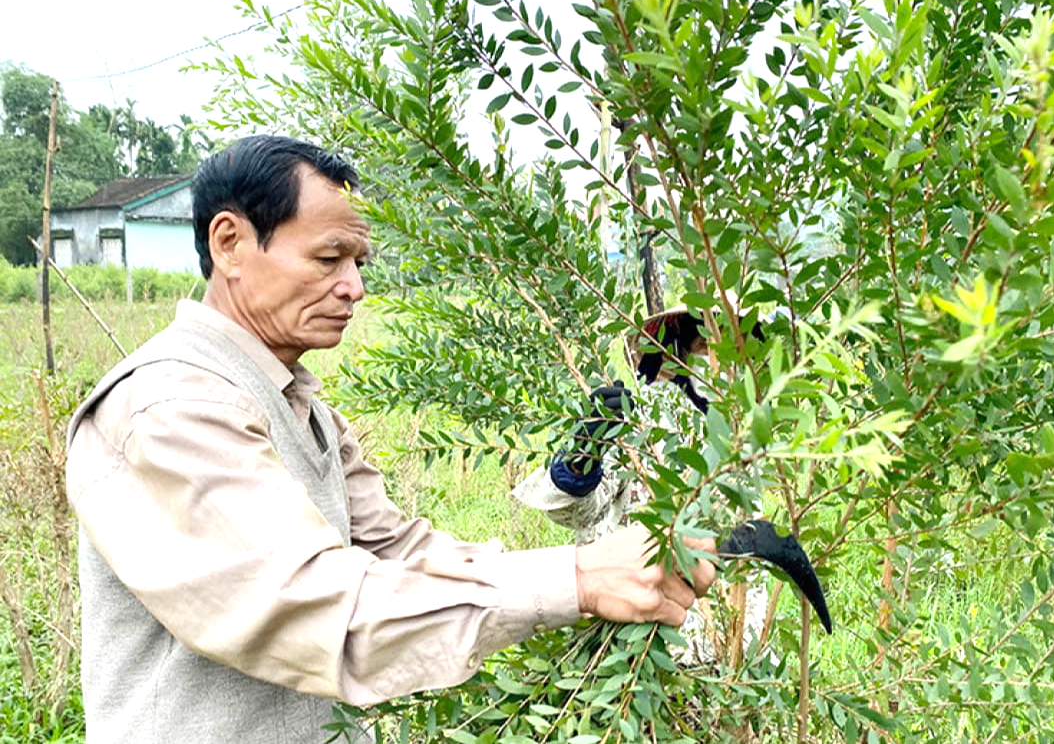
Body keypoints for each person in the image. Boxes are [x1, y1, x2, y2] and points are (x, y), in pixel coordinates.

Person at [64, 135, 716, 744]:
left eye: (356, 261)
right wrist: (576, 578)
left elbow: (400, 553)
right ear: (230, 243)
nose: (354, 286)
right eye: (327, 258)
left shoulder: (295, 402)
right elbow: (314, 607)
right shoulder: (170, 407)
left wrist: (584, 578)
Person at [513, 304, 770, 662]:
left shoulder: (753, 444)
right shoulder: (643, 427)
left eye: (734, 350)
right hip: (633, 648)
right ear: (681, 354)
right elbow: (581, 512)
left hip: (725, 660)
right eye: (705, 348)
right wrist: (583, 457)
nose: (718, 362)